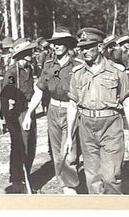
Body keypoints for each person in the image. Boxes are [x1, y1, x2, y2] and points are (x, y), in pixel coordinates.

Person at [64, 27, 129, 194]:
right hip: (86, 128)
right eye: (82, 48)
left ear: (100, 47)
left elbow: (127, 105)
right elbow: (72, 105)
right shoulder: (77, 74)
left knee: (111, 176)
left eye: (89, 47)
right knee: (92, 178)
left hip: (111, 127)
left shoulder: (118, 72)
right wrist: (69, 136)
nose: (85, 52)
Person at [22, 26, 83, 194]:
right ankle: (64, 184)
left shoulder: (78, 66)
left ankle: (71, 185)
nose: (55, 46)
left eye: (60, 43)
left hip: (72, 110)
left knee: (69, 149)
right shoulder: (49, 65)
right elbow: (40, 91)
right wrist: (28, 113)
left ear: (68, 45)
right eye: (54, 43)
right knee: (56, 150)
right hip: (53, 109)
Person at [0, 38, 37, 193]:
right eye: (28, 52)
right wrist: (7, 117)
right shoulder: (12, 71)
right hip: (18, 112)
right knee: (19, 146)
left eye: (31, 51)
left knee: (31, 145)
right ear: (21, 54)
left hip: (30, 110)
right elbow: (4, 94)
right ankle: (17, 179)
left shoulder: (29, 68)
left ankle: (25, 176)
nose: (31, 54)